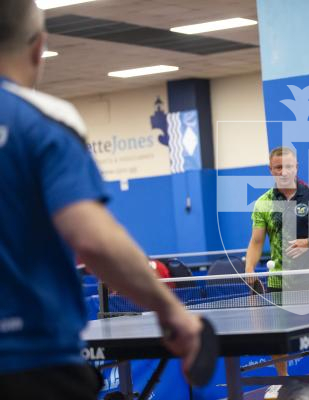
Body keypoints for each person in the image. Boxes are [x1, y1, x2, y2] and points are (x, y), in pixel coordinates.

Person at [0, 1, 204, 398]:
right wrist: (170, 310)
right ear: (39, 46)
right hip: (33, 365)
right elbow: (93, 240)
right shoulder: (43, 122)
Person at [245, 146, 309, 399]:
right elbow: (256, 241)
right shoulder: (263, 203)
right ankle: (282, 380)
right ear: (271, 170)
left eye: (289, 166)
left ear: (296, 167)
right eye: (278, 167)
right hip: (279, 279)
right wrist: (248, 269)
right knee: (278, 335)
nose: (284, 171)